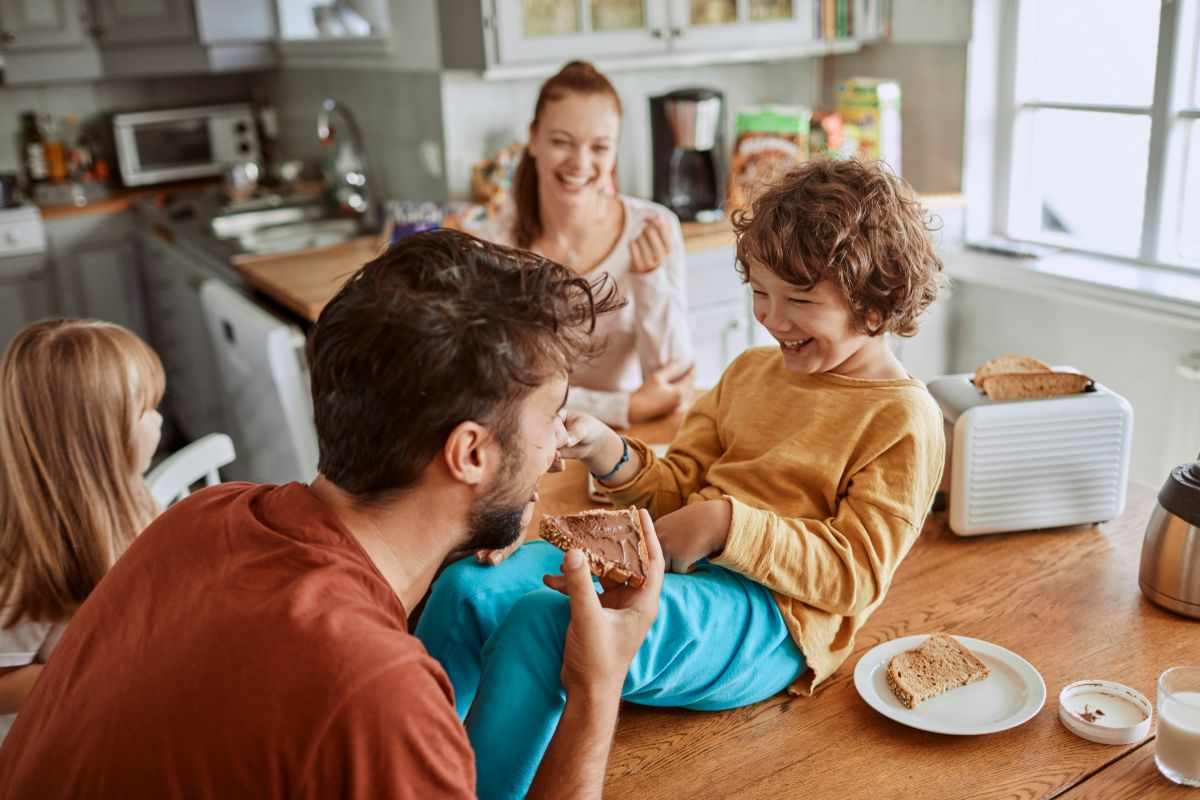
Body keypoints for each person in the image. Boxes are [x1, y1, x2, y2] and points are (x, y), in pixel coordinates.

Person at [0, 230, 666, 800]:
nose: (555, 452)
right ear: (469, 454)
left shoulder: (202, 517)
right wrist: (596, 688)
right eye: (552, 417)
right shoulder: (379, 696)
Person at [417, 158, 947, 799]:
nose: (772, 318)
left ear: (876, 304)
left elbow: (854, 575)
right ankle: (412, 773)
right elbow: (675, 492)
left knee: (549, 624)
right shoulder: (750, 373)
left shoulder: (903, 418)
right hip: (671, 571)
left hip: (773, 620)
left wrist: (726, 526)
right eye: (760, 292)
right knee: (470, 586)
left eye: (800, 301)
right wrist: (608, 450)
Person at [475, 60, 694, 429]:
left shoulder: (653, 227)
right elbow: (497, 388)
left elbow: (673, 381)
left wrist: (649, 279)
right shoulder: (494, 244)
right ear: (533, 138)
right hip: (529, 445)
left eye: (600, 147)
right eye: (561, 142)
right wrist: (624, 407)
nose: (580, 163)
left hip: (632, 438)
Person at [0, 320, 164, 744]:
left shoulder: (134, 495)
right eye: (146, 410)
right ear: (100, 441)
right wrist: (101, 671)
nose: (159, 419)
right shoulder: (27, 562)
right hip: (56, 745)